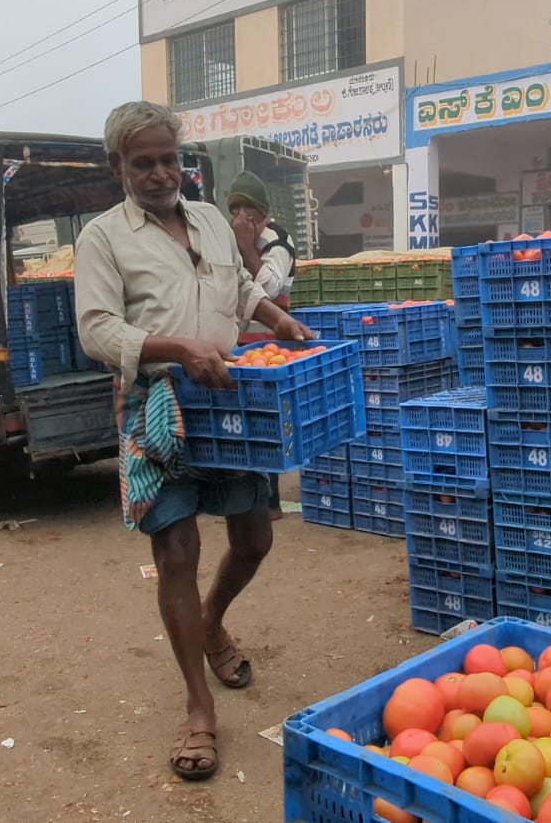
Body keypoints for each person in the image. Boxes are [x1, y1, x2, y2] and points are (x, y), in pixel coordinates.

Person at [74, 100, 315, 783]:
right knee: (176, 550)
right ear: (117, 166)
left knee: (255, 538)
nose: (158, 173)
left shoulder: (208, 217)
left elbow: (238, 288)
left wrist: (273, 316)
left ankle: (211, 623)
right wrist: (178, 347)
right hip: (160, 405)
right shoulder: (103, 238)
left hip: (232, 401)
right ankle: (198, 708)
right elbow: (96, 330)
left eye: (167, 159)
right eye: (142, 162)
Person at [227, 170, 297, 519]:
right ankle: (250, 498)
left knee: (267, 418)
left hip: (271, 346)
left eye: (248, 213)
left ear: (263, 214)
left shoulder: (278, 241)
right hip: (240, 347)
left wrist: (245, 247)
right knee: (245, 420)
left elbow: (267, 288)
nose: (241, 220)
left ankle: (270, 502)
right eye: (236, 212)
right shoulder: (227, 238)